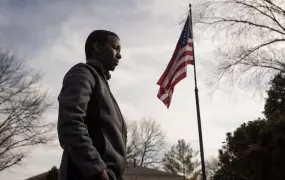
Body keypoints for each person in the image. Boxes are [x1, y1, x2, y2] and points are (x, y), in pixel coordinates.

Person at [57, 30, 127, 180]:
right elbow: (70, 123)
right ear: (97, 46)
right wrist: (97, 170)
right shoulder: (82, 73)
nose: (119, 55)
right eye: (115, 48)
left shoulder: (102, 84)